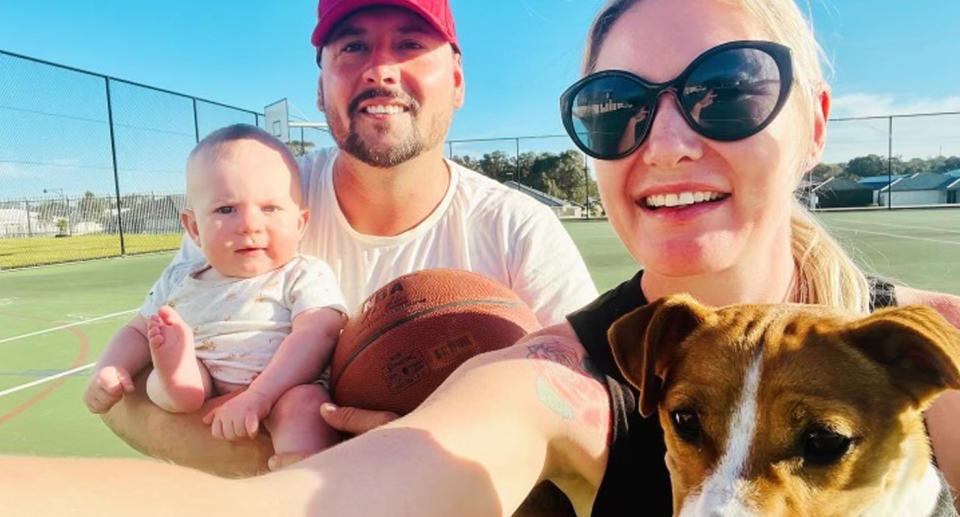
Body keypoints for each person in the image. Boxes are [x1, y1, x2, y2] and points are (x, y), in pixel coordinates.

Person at [8, 0, 960, 514]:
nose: (666, 139)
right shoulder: (558, 373)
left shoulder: (932, 345)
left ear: (817, 123)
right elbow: (322, 499)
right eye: (618, 106)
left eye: (728, 90)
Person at [95, 0, 597, 477]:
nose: (381, 70)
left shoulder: (518, 229)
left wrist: (430, 449)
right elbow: (127, 402)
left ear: (458, 82)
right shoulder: (258, 199)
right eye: (353, 47)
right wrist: (317, 467)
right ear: (320, 88)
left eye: (410, 45)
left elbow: (593, 416)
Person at [83, 125, 347, 464]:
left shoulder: (302, 273)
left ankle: (298, 468)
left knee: (307, 405)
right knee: (159, 381)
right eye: (226, 210)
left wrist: (259, 396)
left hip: (280, 388)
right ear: (194, 228)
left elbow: (318, 332)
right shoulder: (180, 279)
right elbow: (136, 330)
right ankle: (179, 378)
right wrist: (110, 369)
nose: (250, 225)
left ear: (300, 223)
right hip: (203, 382)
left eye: (270, 208)